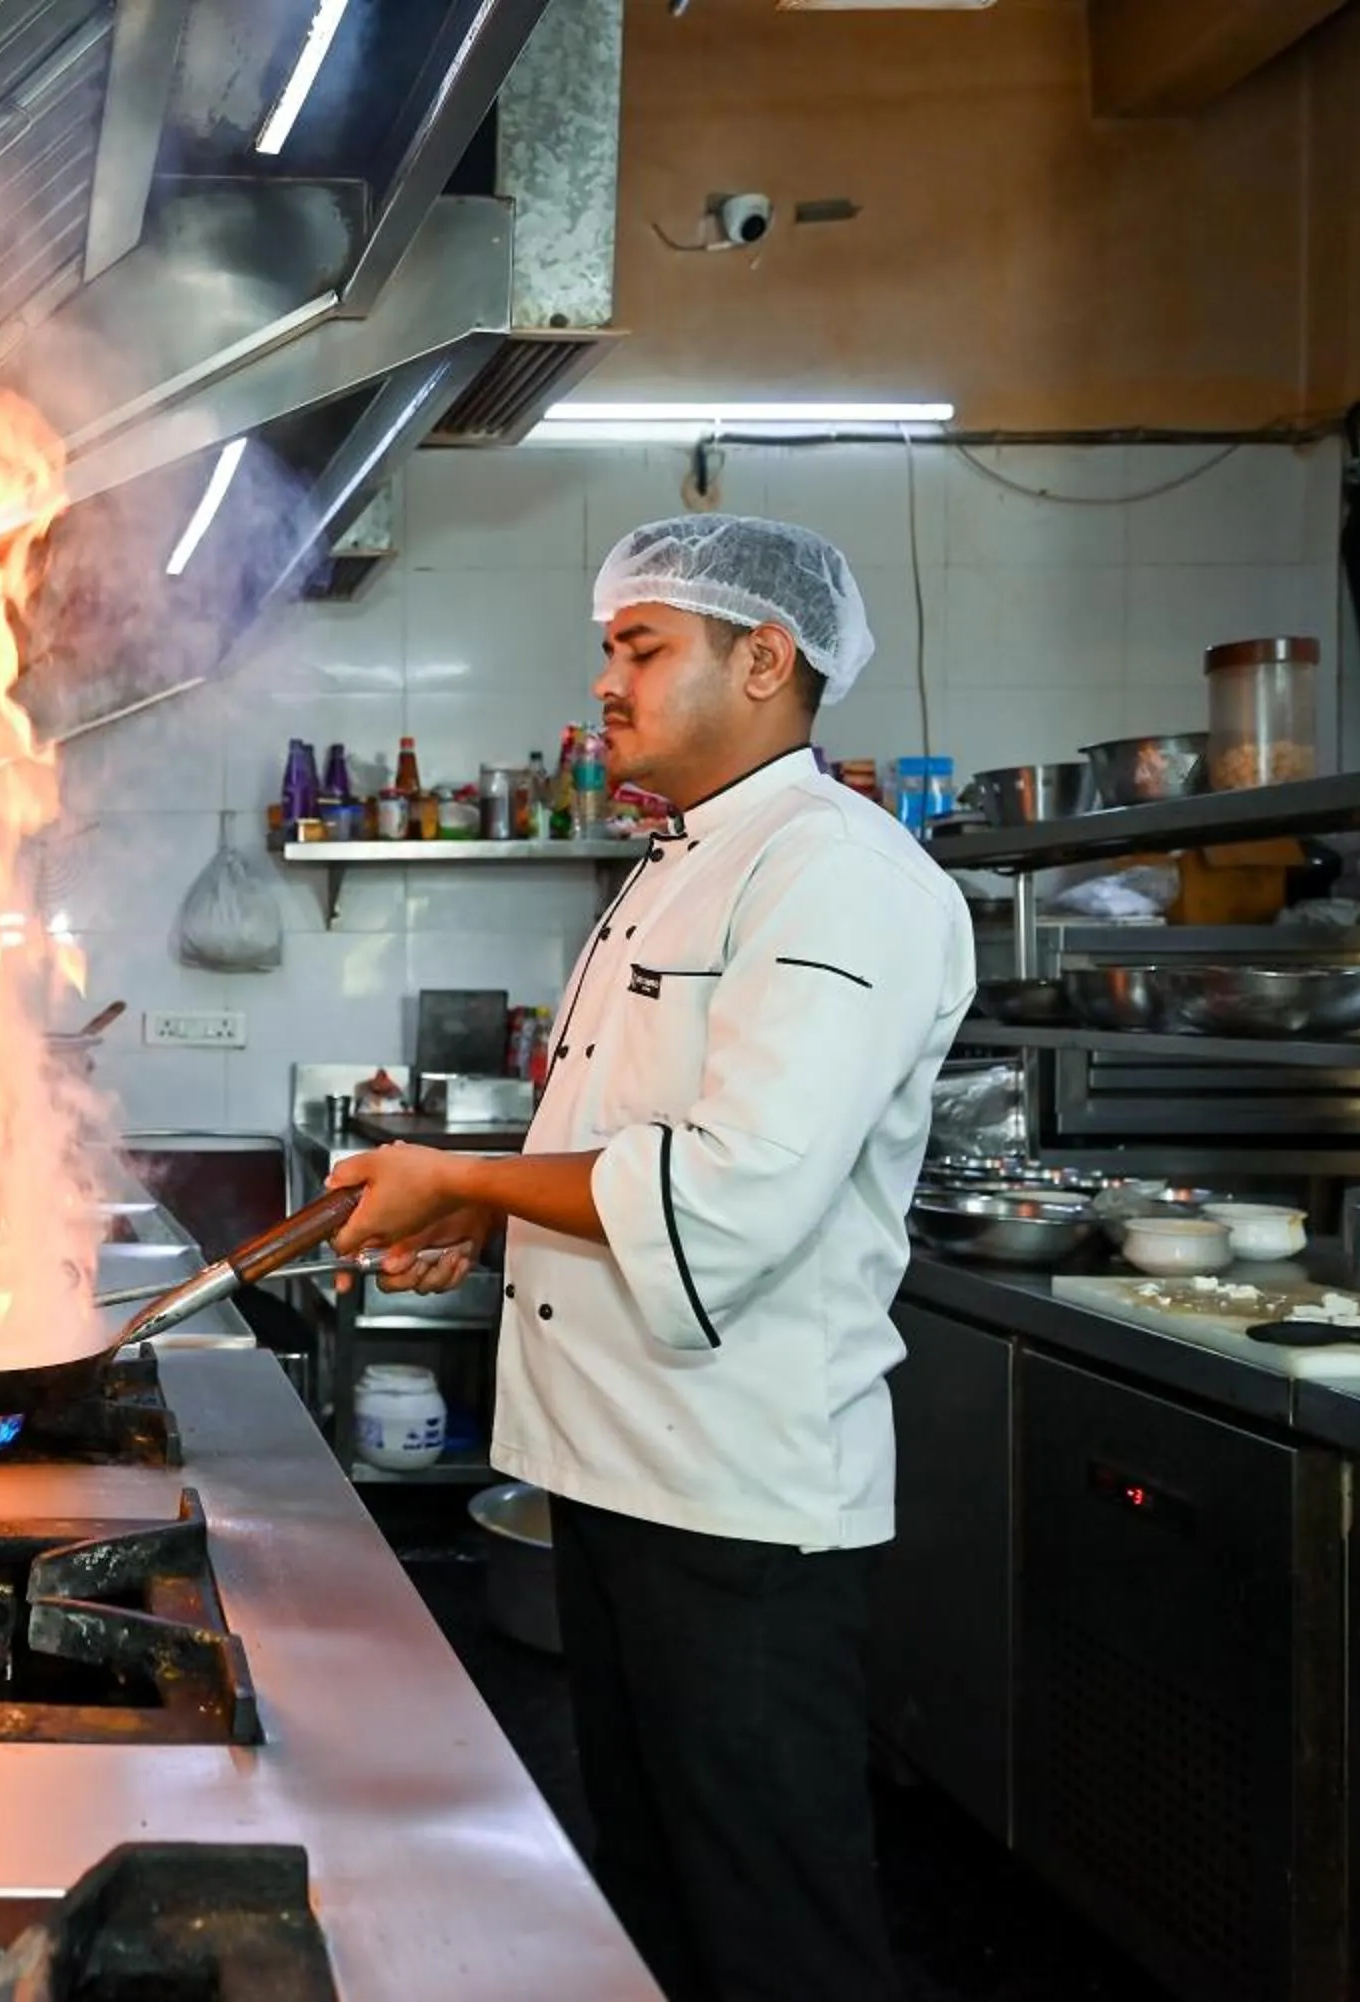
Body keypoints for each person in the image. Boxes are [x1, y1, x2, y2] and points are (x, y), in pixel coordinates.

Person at [326, 515, 975, 2002]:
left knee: (772, 1927)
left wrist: (466, 1172)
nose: (605, 683)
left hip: (737, 1505)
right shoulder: (676, 864)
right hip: (625, 1479)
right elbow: (633, 1129)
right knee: (660, 1905)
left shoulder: (839, 876)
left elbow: (734, 1191)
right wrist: (484, 1210)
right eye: (607, 648)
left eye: (641, 648)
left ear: (765, 660)